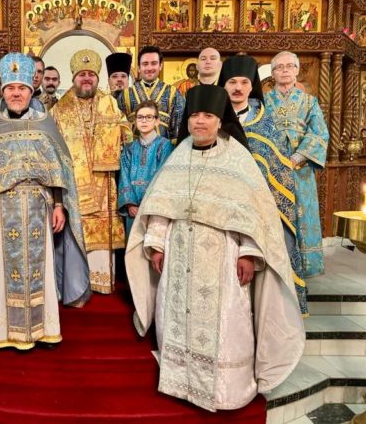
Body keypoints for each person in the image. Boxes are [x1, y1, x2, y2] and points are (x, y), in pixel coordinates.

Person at [125, 84, 305, 412]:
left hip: (222, 257)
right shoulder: (179, 155)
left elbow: (253, 214)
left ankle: (224, 391)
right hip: (179, 253)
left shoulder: (237, 158)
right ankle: (180, 382)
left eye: (207, 115)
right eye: (195, 115)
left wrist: (248, 252)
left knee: (226, 323)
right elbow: (161, 204)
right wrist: (157, 244)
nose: (200, 121)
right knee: (177, 316)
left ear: (220, 120)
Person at [0, 53, 90, 350]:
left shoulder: (44, 124)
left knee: (42, 269)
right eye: (10, 88)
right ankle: (1, 332)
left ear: (30, 89)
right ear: (3, 91)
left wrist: (59, 205)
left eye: (21, 88)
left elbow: (59, 169)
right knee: (0, 270)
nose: (16, 93)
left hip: (39, 206)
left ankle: (44, 329)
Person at [218, 54, 307, 314]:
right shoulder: (212, 119)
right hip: (220, 209)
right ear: (223, 85)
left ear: (252, 86)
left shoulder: (267, 123)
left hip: (258, 209)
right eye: (232, 82)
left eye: (244, 82)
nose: (238, 88)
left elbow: (278, 168)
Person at [52, 49, 131, 294]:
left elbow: (126, 131)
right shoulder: (59, 109)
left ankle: (101, 282)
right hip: (73, 183)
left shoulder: (110, 103)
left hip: (104, 182)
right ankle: (76, 285)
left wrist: (121, 134)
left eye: (91, 74)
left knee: (102, 239)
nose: (86, 78)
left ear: (97, 78)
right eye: (82, 74)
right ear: (74, 77)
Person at [265, 51, 329, 278]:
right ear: (272, 73)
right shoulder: (263, 102)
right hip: (270, 170)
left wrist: (296, 158)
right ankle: (273, 265)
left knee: (301, 214)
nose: (284, 70)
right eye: (279, 67)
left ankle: (303, 267)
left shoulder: (310, 102)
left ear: (297, 70)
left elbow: (319, 134)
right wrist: (274, 160)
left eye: (289, 66)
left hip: (300, 170)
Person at [118, 100, 172, 237]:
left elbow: (162, 177)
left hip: (154, 208)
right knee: (133, 244)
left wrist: (147, 204)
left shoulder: (165, 146)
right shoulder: (129, 148)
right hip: (133, 209)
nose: (144, 121)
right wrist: (130, 204)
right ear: (135, 121)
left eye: (149, 117)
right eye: (140, 117)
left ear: (157, 121)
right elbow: (124, 176)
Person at [118, 45, 185, 142]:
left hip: (165, 150)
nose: (149, 68)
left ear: (160, 66)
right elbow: (119, 127)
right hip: (134, 149)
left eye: (154, 63)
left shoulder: (173, 93)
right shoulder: (125, 95)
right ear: (139, 67)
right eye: (145, 64)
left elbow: (178, 130)